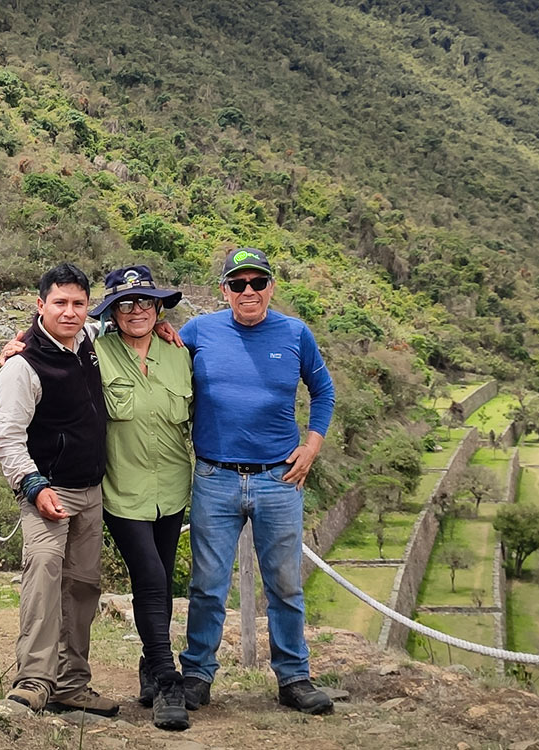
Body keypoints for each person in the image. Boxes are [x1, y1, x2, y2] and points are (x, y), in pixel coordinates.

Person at [178, 247, 337, 715]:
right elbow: (141, 346)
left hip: (279, 478)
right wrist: (29, 336)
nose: (249, 292)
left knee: (285, 584)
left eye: (257, 282)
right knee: (207, 584)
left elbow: (323, 391)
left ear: (271, 286)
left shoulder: (294, 333)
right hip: (215, 476)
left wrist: (312, 447)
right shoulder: (198, 332)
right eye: (238, 283)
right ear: (223, 289)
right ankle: (197, 674)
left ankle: (294, 677)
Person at [0, 263, 118, 717]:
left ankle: (71, 684)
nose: (69, 312)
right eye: (59, 303)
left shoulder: (88, 340)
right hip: (48, 491)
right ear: (40, 305)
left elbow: (116, 321)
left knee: (83, 587)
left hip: (91, 489)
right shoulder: (22, 365)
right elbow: (6, 437)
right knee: (43, 578)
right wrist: (33, 485)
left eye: (78, 303)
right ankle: (32, 681)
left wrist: (160, 324)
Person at [88, 266, 193, 731]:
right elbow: (50, 340)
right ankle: (169, 683)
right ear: (112, 311)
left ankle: (149, 668)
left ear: (159, 308)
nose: (137, 310)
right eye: (126, 303)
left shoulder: (180, 353)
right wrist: (16, 345)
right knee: (149, 576)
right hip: (122, 489)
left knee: (163, 579)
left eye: (146, 302)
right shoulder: (94, 353)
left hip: (172, 487)